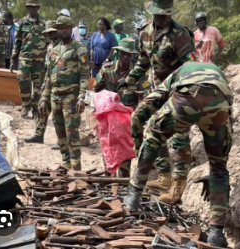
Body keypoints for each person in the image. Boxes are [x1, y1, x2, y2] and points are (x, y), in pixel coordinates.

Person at [124, 62, 233, 248]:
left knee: (154, 134)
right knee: (220, 169)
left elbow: (139, 114)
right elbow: (228, 123)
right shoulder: (218, 74)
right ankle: (216, 233)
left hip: (186, 96)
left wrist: (140, 149)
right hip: (220, 100)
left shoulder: (175, 75)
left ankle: (133, 197)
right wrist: (215, 171)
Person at [117, 0, 196, 197]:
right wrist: (128, 80)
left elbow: (191, 67)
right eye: (160, 15)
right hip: (159, 88)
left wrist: (186, 94)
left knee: (178, 133)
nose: (164, 18)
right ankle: (161, 174)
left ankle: (179, 183)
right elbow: (143, 61)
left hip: (179, 88)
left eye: (167, 14)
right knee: (138, 118)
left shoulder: (180, 34)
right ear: (153, 13)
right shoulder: (145, 32)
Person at [39, 16, 89, 171]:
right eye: (60, 28)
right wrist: (44, 98)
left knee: (71, 132)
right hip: (55, 96)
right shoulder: (52, 49)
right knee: (59, 130)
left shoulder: (79, 49)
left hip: (71, 97)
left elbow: (85, 75)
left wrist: (81, 97)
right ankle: (66, 161)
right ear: (57, 30)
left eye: (66, 28)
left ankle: (76, 165)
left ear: (71, 29)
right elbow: (49, 76)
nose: (63, 30)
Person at [94, 38, 138, 177]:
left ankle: (123, 184)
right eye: (123, 53)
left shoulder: (138, 73)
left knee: (125, 151)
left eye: (129, 54)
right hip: (109, 119)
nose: (125, 57)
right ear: (118, 53)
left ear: (133, 55)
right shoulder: (107, 70)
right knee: (108, 149)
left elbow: (145, 95)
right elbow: (96, 90)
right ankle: (109, 181)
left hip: (128, 119)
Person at [23, 20, 61, 145]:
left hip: (62, 85)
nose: (49, 35)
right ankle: (39, 134)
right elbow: (48, 68)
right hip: (49, 82)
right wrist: (45, 84)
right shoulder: (50, 47)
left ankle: (62, 141)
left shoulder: (65, 46)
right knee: (42, 107)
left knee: (58, 114)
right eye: (47, 33)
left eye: (52, 32)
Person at [11, 0, 49, 119]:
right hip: (24, 58)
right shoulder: (22, 22)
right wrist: (13, 59)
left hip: (39, 60)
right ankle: (25, 106)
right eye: (30, 7)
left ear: (38, 8)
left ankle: (36, 108)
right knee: (23, 82)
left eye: (34, 7)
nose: (32, 9)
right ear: (27, 8)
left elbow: (49, 43)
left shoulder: (44, 23)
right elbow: (17, 42)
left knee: (39, 85)